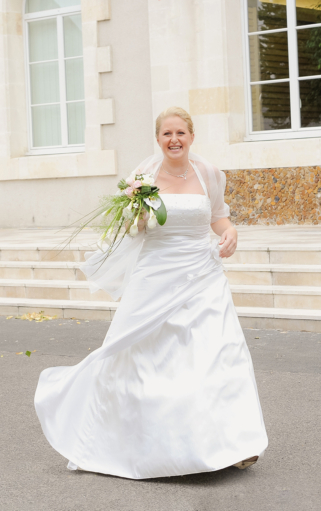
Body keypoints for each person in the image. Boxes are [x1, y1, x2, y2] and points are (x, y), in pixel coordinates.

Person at [34, 107, 268, 479]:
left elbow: (217, 216)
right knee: (139, 358)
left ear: (191, 136)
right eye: (166, 134)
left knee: (220, 354)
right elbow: (134, 229)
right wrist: (135, 211)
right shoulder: (142, 179)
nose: (174, 140)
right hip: (156, 275)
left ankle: (234, 444)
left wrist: (230, 232)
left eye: (180, 133)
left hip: (203, 275)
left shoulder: (208, 174)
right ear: (158, 139)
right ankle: (139, 442)